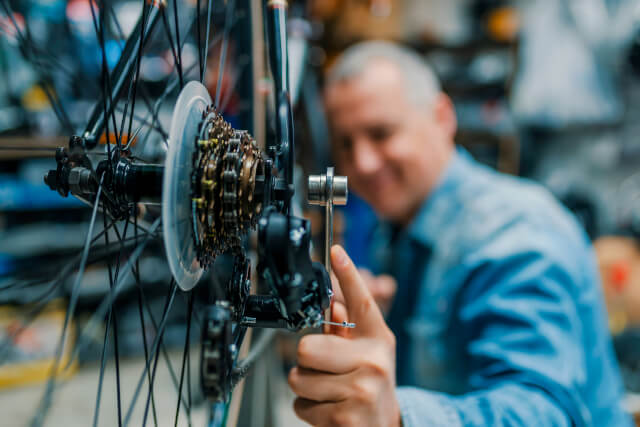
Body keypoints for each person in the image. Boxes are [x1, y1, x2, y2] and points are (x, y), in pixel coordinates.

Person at [287, 41, 631, 426]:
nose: (362, 163)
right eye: (345, 144)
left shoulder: (515, 234)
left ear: (442, 116)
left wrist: (397, 415)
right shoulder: (399, 226)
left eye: (381, 133)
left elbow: (545, 412)